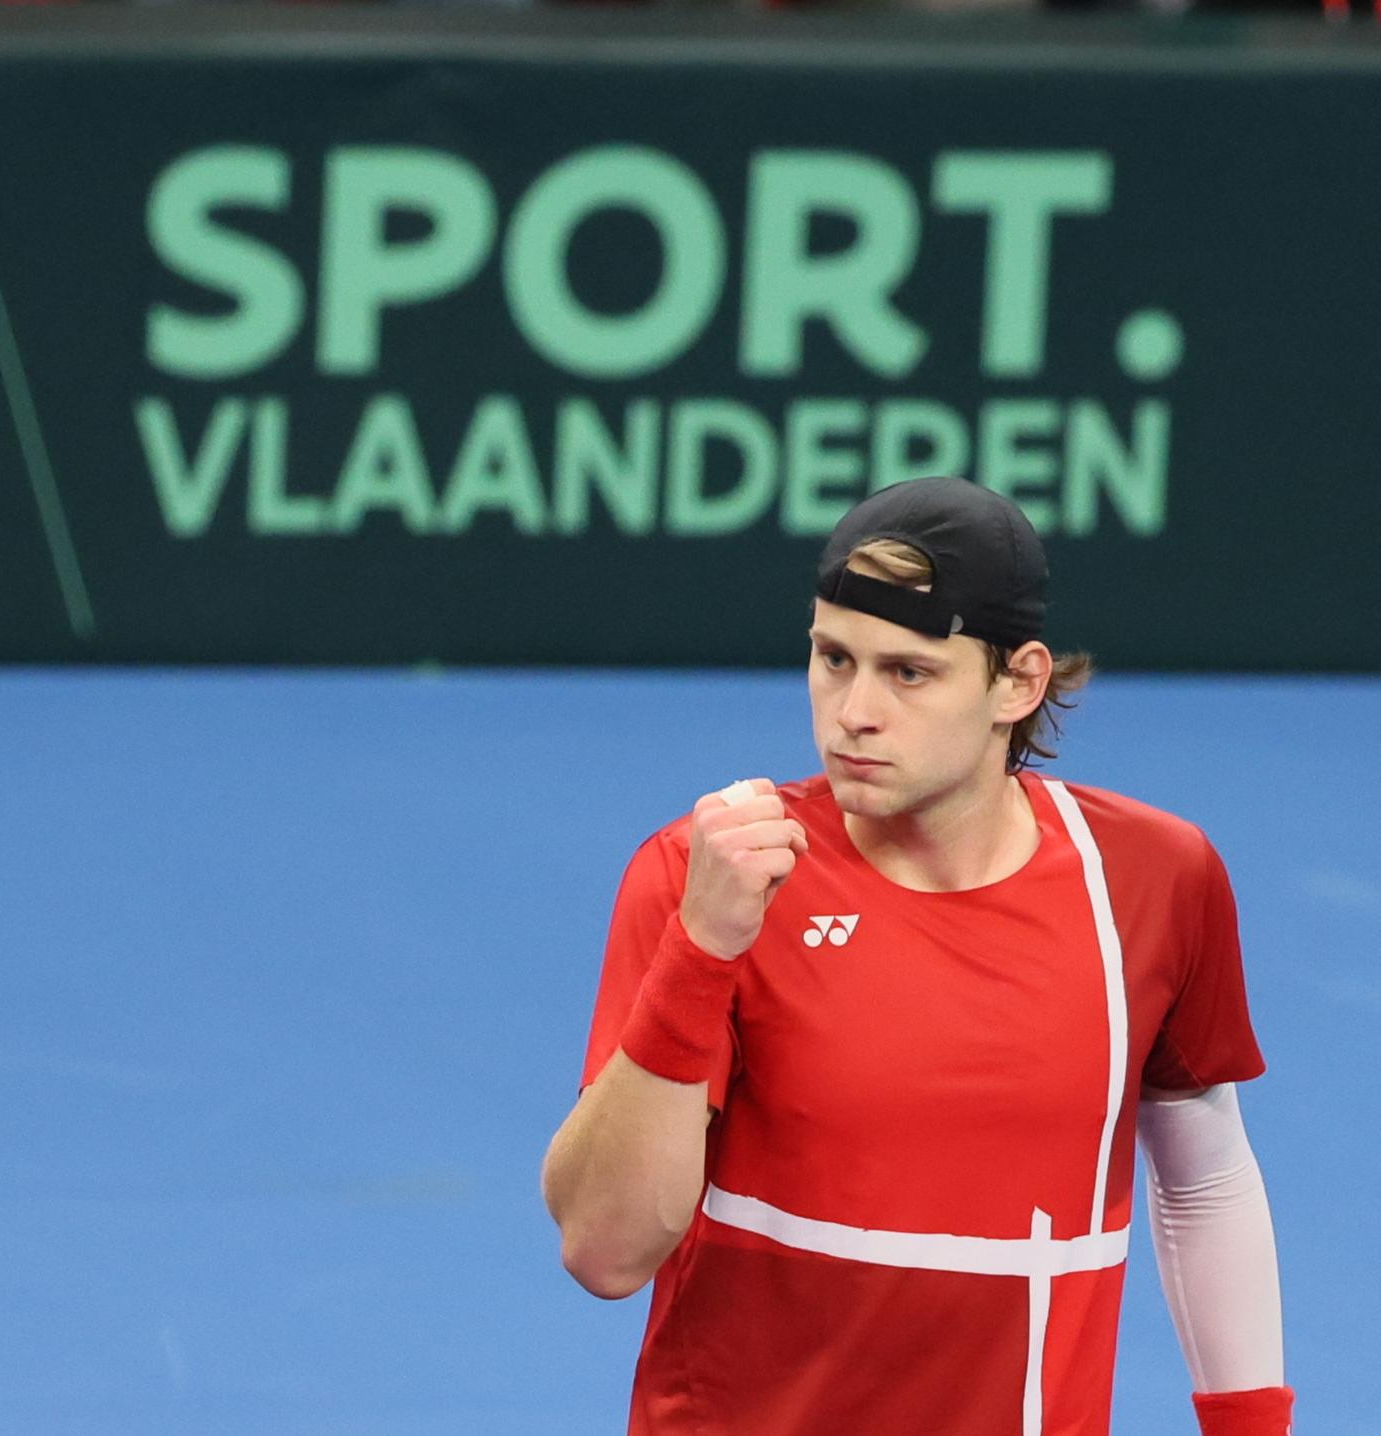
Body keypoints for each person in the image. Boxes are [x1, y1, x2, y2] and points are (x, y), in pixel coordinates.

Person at [540, 477, 1293, 1436]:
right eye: (833, 658)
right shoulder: (708, 876)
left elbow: (1204, 1178)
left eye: (908, 672)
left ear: (1017, 683)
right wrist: (701, 952)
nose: (853, 711)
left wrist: (1250, 1427)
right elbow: (604, 1251)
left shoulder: (1151, 881)